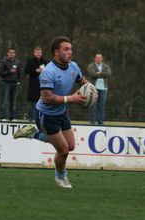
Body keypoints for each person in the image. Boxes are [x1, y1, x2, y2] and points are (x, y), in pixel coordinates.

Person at [13, 36, 89, 188]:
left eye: (71, 49)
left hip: (62, 113)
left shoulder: (73, 67)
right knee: (64, 150)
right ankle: (61, 177)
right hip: (46, 116)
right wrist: (71, 99)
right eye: (66, 49)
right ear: (56, 52)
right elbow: (47, 98)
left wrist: (92, 90)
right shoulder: (48, 71)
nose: (70, 52)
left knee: (71, 146)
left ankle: (34, 133)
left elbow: (83, 82)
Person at [24, 47, 48, 122]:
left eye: (39, 53)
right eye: (37, 53)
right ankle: (29, 117)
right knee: (31, 101)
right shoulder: (30, 61)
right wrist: (35, 70)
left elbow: (49, 71)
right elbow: (26, 70)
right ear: (34, 53)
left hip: (42, 84)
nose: (38, 54)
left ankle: (37, 117)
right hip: (32, 83)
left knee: (39, 101)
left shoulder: (45, 62)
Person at [87, 54, 111, 125]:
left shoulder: (106, 66)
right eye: (97, 57)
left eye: (100, 58)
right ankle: (93, 122)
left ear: (102, 59)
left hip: (104, 88)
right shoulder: (91, 66)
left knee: (101, 105)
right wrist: (103, 74)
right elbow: (92, 74)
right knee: (93, 104)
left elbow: (109, 73)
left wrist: (99, 73)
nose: (99, 59)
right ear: (95, 58)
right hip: (94, 88)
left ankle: (101, 122)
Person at [0, 48, 21, 121]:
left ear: (15, 54)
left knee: (13, 101)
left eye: (13, 52)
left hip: (14, 83)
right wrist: (9, 71)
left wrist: (18, 80)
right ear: (7, 53)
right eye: (10, 52)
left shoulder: (17, 62)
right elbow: (0, 73)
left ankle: (12, 117)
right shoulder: (4, 62)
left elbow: (19, 73)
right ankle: (3, 117)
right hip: (6, 83)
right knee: (4, 101)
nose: (12, 54)